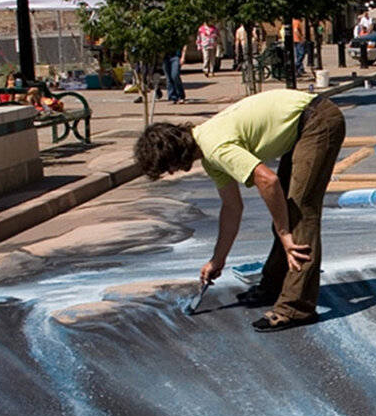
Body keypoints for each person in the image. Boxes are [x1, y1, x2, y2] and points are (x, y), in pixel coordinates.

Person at [133, 89, 346, 332]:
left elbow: (268, 181)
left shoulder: (214, 147)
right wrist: (217, 259)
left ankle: (296, 307)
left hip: (317, 120)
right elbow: (232, 208)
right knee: (286, 211)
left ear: (172, 154)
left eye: (166, 168)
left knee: (299, 214)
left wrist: (285, 233)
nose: (171, 173)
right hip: (304, 123)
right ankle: (274, 285)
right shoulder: (208, 154)